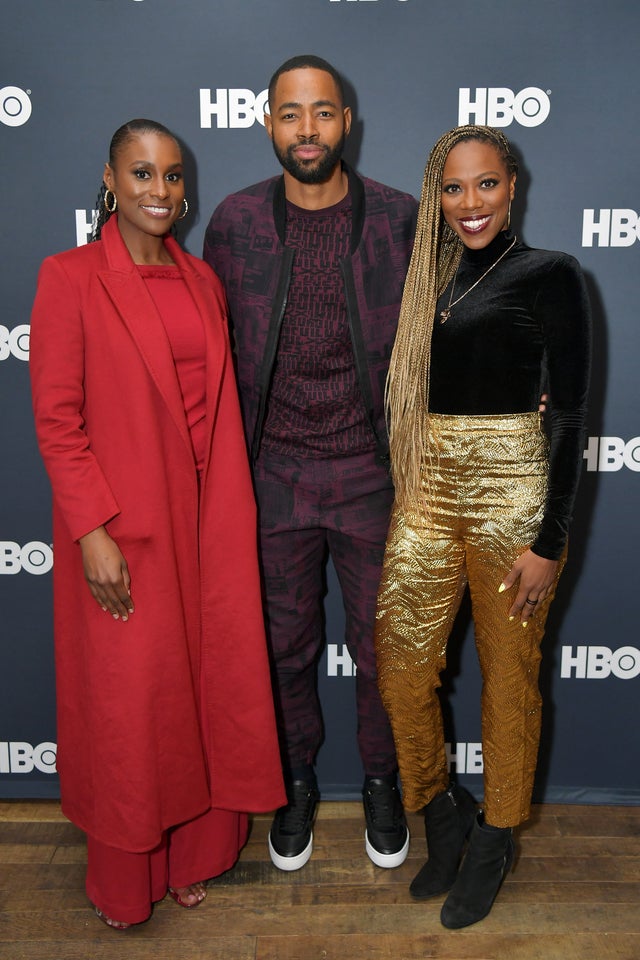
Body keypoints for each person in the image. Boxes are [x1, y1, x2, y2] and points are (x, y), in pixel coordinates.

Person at [29, 119, 285, 929]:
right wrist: (90, 531)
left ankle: (196, 856)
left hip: (210, 523)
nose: (160, 191)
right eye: (142, 173)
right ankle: (124, 879)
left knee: (207, 692)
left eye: (173, 176)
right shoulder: (69, 277)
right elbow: (58, 421)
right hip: (126, 526)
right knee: (135, 707)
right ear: (111, 176)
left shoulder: (202, 280)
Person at [203, 56, 417, 872]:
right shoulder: (235, 223)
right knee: (283, 650)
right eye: (290, 115)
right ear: (268, 125)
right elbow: (205, 351)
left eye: (322, 113)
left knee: (383, 649)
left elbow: (445, 333)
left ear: (346, 123)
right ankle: (293, 781)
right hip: (273, 480)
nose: (307, 130)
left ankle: (380, 781)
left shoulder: (399, 219)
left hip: (374, 478)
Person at [375, 125, 591, 928]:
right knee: (401, 667)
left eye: (487, 185)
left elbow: (567, 415)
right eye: (455, 188)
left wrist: (550, 540)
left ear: (513, 187)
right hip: (426, 490)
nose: (471, 203)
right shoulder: (422, 282)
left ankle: (497, 838)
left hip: (514, 497)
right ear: (437, 194)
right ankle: (441, 815)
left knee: (509, 678)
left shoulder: (551, 275)